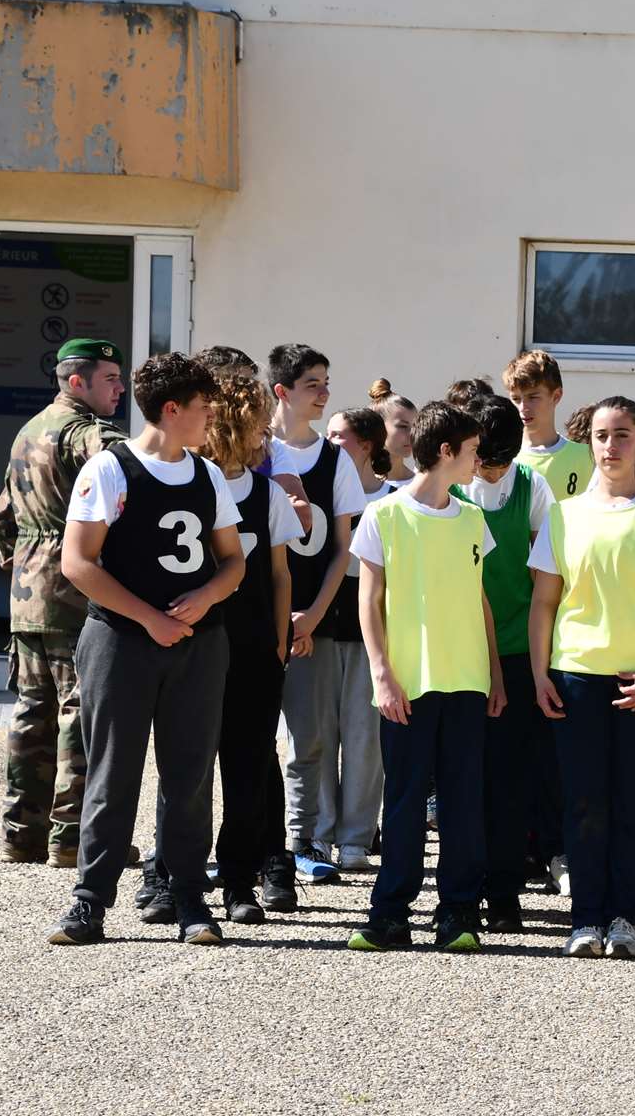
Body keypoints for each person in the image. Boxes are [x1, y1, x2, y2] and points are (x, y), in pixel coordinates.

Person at [46, 353, 246, 946]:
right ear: (172, 409)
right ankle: (90, 902)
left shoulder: (207, 475)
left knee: (188, 774)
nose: (212, 416)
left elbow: (233, 561)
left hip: (198, 644)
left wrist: (208, 595)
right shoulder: (110, 469)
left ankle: (187, 897)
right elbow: (77, 562)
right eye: (204, 407)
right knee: (114, 771)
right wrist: (149, 619)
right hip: (120, 641)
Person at [528, 396, 635, 960]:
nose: (610, 446)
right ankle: (585, 921)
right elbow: (545, 604)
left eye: (622, 434)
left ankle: (624, 918)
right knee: (583, 803)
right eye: (601, 436)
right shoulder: (563, 514)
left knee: (633, 804)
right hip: (577, 676)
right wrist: (539, 673)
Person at [346, 402, 504, 952]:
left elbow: (479, 600)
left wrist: (496, 674)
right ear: (445, 452)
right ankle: (390, 912)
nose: (478, 459)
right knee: (407, 800)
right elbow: (370, 600)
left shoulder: (472, 519)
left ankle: (458, 912)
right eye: (471, 450)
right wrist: (382, 674)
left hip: (467, 679)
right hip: (409, 684)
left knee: (464, 800)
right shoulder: (384, 516)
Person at [0, 338, 127, 867]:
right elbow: (130, 479)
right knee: (81, 713)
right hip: (76, 591)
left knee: (31, 713)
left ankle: (20, 835)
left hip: (28, 594)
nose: (120, 388)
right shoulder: (85, 432)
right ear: (77, 382)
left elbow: (2, 518)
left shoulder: (29, 431)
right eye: (110, 379)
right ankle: (70, 839)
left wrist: (23, 565)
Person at [451, 395, 556, 934]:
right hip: (459, 652)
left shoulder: (532, 486)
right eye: (483, 460)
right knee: (463, 779)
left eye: (499, 462)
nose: (489, 471)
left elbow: (545, 576)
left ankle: (505, 891)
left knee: (511, 782)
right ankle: (461, 892)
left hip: (516, 649)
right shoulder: (452, 488)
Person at [268, 344, 369, 882]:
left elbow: (341, 552)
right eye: (312, 383)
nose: (325, 392)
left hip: (313, 625)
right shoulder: (256, 455)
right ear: (281, 391)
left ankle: (303, 839)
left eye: (326, 381)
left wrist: (309, 617)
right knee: (253, 739)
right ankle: (255, 843)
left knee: (310, 737)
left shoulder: (336, 464)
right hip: (259, 620)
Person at [204, 369, 300, 922]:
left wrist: (280, 641)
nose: (267, 432)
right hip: (195, 649)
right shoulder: (192, 485)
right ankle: (175, 875)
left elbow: (282, 575)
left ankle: (240, 880)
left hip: (256, 653)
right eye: (259, 423)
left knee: (247, 773)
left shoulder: (268, 494)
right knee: (189, 772)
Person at [322, 406, 398, 870]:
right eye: (327, 436)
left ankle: (357, 837)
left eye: (340, 437)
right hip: (321, 629)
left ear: (367, 446)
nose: (330, 445)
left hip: (372, 634)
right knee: (315, 740)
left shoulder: (394, 500)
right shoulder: (321, 494)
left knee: (365, 741)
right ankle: (315, 835)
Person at [508, 350, 594, 501]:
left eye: (533, 397)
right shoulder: (505, 458)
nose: (523, 407)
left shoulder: (587, 458)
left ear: (556, 396)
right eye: (516, 399)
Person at [368, 379, 419, 487]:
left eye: (415, 426)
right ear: (379, 427)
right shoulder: (360, 483)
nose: (412, 434)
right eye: (403, 426)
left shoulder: (420, 485)